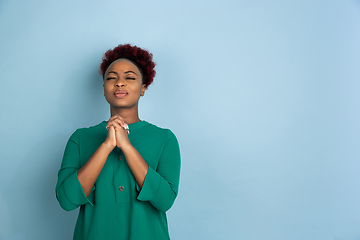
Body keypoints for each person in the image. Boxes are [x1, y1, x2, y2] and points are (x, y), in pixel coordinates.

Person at [55, 44, 181, 240]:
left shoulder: (164, 138)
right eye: (111, 78)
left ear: (143, 89)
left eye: (130, 78)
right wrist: (106, 147)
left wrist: (127, 147)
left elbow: (164, 201)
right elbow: (66, 200)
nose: (119, 83)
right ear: (104, 89)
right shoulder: (80, 138)